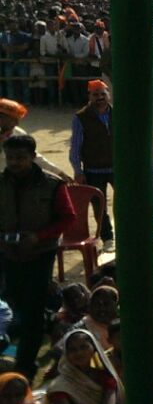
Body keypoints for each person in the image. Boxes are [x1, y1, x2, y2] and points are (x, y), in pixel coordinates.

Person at [0, 133, 75, 378]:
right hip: (7, 255)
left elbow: (68, 217)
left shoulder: (53, 185)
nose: (14, 163)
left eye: (20, 158)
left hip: (40, 255)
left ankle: (25, 365)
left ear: (33, 157)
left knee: (32, 310)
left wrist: (40, 236)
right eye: (10, 157)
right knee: (12, 304)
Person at [69, 80, 114, 251]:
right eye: (96, 94)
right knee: (99, 206)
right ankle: (108, 238)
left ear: (108, 94)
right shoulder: (80, 117)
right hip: (93, 169)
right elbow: (75, 147)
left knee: (123, 203)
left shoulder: (117, 113)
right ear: (89, 96)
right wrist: (78, 171)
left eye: (103, 94)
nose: (100, 98)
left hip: (117, 168)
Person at [0, 98, 71, 180]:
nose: (17, 123)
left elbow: (35, 157)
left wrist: (59, 172)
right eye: (14, 120)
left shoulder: (19, 134)